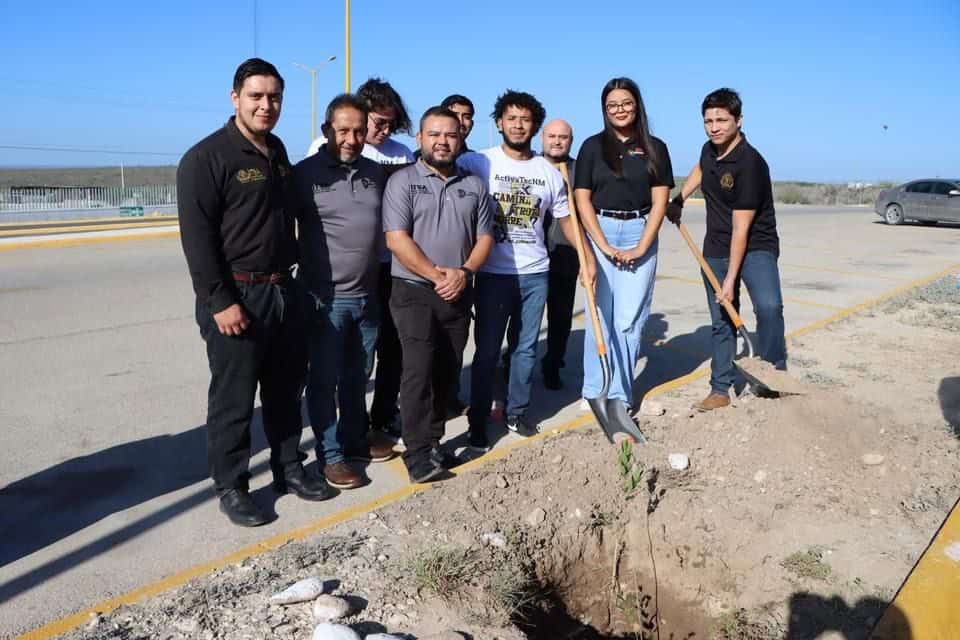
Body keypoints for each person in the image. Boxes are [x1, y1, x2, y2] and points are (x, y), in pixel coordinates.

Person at [177, 58, 334, 528]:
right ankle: (232, 485)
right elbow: (197, 240)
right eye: (256, 96)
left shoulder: (277, 150)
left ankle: (290, 470)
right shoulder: (206, 158)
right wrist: (220, 301)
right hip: (237, 296)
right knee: (234, 399)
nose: (266, 105)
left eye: (274, 97)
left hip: (284, 291)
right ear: (235, 98)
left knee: (287, 392)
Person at [460, 90, 596, 450]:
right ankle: (478, 419)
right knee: (487, 349)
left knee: (524, 350)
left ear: (534, 125)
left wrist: (587, 257)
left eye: (525, 119)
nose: (518, 125)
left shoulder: (548, 172)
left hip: (536, 273)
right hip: (492, 274)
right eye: (512, 118)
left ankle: (517, 412)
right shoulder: (478, 163)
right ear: (499, 123)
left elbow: (567, 220)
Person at [382, 106, 494, 483]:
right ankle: (416, 454)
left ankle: (433, 442)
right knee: (418, 370)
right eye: (434, 134)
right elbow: (397, 239)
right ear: (420, 139)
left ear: (460, 139)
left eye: (450, 135)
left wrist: (463, 273)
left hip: (459, 291)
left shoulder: (474, 185)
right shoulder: (402, 182)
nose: (442, 141)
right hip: (413, 290)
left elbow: (485, 239)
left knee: (447, 372)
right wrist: (436, 275)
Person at [293, 94, 398, 491]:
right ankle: (331, 456)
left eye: (358, 130)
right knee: (323, 380)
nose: (352, 138)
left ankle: (355, 440)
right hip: (324, 300)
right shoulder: (304, 175)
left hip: (367, 297)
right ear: (326, 132)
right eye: (343, 131)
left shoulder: (375, 172)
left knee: (358, 376)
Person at [667, 88, 786, 411]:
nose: (714, 127)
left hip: (756, 247)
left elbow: (741, 229)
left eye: (721, 120)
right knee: (721, 320)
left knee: (769, 308)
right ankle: (720, 388)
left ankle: (775, 376)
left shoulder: (750, 163)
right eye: (708, 120)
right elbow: (701, 168)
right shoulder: (710, 149)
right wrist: (679, 200)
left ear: (739, 120)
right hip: (715, 248)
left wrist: (731, 281)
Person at [573, 77, 674, 416]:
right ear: (604, 109)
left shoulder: (655, 147)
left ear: (637, 106)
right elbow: (582, 198)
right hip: (599, 232)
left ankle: (619, 394)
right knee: (600, 317)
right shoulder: (591, 147)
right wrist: (600, 244)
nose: (619, 110)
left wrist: (642, 246)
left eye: (626, 103)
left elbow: (661, 201)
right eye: (612, 105)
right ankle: (594, 389)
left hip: (638, 232)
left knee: (629, 321)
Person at [539, 119, 578, 390]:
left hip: (565, 253)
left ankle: (553, 362)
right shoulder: (529, 166)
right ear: (543, 137)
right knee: (523, 317)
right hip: (530, 254)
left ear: (570, 141)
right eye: (552, 136)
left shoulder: (580, 171)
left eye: (563, 137)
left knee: (561, 315)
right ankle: (511, 364)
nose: (557, 141)